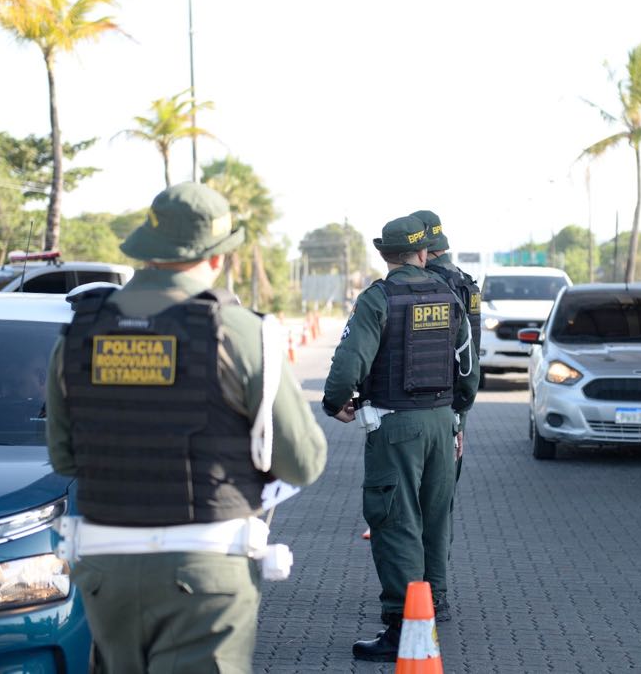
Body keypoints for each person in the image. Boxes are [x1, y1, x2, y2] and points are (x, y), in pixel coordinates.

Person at [46, 182, 327, 673]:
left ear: (146, 249)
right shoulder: (241, 332)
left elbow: (65, 459)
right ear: (216, 258)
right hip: (206, 572)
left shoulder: (79, 333)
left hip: (105, 571)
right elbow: (303, 463)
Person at [321, 214, 479, 661]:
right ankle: (434, 604)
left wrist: (335, 403)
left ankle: (402, 627)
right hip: (442, 422)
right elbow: (468, 367)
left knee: (395, 521)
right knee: (435, 517)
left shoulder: (378, 298)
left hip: (396, 427)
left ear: (386, 254)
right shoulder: (450, 295)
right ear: (423, 253)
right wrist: (458, 415)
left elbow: (349, 362)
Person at [411, 209, 481, 623]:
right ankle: (435, 591)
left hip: (417, 407)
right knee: (440, 504)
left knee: (408, 505)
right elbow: (472, 357)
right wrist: (462, 411)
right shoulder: (467, 284)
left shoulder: (421, 284)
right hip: (454, 409)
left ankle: (414, 592)